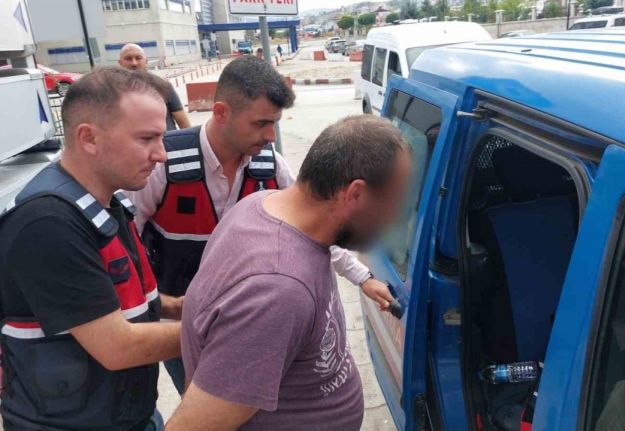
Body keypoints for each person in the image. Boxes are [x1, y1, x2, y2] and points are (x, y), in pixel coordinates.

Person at [127, 55, 394, 394]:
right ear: (221, 112)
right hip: (180, 326)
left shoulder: (270, 167)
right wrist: (155, 306)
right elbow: (125, 245)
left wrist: (363, 278)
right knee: (201, 405)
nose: (270, 135)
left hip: (250, 324)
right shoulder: (164, 164)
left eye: (275, 123)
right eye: (261, 123)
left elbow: (316, 224)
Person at [165, 115, 412, 431]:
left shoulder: (263, 204)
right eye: (395, 204)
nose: (397, 219)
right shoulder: (277, 289)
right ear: (355, 194)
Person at [0, 67, 181, 430]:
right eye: (146, 138)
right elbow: (118, 347)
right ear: (89, 138)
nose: (161, 155)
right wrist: (223, 329)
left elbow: (116, 299)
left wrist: (185, 306)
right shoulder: (47, 224)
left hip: (129, 415)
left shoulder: (106, 204)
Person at [119, 43, 191, 131]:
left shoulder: (163, 86)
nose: (134, 63)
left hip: (166, 138)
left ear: (146, 61)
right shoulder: (112, 91)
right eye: (128, 59)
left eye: (138, 58)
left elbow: (184, 124)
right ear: (120, 63)